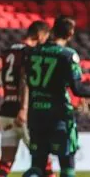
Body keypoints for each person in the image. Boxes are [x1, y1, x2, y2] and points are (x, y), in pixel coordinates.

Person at [22, 16, 90, 177]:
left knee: (38, 165)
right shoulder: (67, 55)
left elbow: (26, 81)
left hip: (36, 113)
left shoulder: (33, 52)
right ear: (70, 33)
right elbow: (78, 89)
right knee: (66, 163)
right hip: (58, 115)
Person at [0, 21, 54, 177]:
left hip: (6, 109)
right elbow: (24, 79)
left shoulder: (7, 52)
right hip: (23, 112)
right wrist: (23, 108)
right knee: (43, 159)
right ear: (40, 34)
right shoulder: (30, 52)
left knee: (6, 161)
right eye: (45, 36)